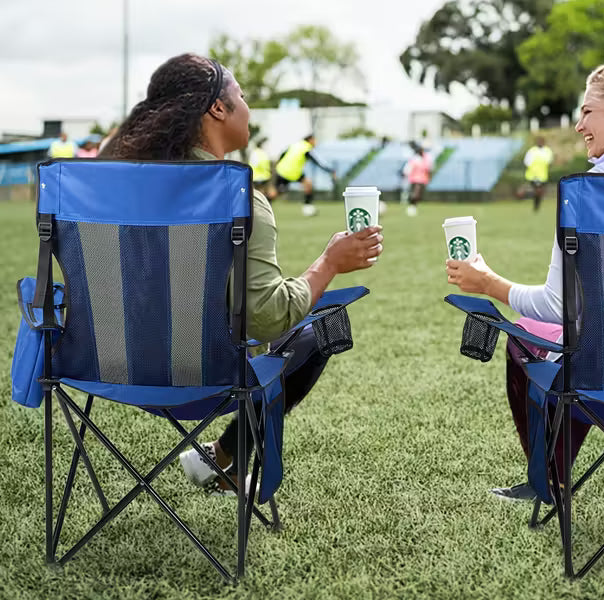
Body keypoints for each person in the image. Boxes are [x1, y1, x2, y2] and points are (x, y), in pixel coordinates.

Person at [103, 53, 383, 493]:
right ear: (218, 108)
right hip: (203, 377)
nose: (248, 107)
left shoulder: (112, 189)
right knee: (324, 327)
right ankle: (230, 456)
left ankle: (225, 457)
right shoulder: (238, 199)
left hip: (107, 367)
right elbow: (268, 317)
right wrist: (329, 263)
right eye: (242, 96)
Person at [445, 41, 604, 502]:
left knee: (528, 336)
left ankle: (551, 480)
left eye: (586, 112)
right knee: (578, 339)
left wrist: (489, 283)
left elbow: (558, 308)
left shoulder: (590, 193)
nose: (578, 125)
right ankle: (552, 477)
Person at [273, 134, 337, 217]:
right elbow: (317, 162)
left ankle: (308, 208)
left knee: (308, 185)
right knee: (276, 193)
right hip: (290, 173)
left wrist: (279, 164)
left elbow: (282, 154)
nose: (316, 143)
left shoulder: (295, 145)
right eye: (315, 140)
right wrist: (330, 171)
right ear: (310, 140)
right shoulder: (306, 148)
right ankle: (307, 208)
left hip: (284, 170)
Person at [521, 136, 554, 212]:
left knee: (539, 192)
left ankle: (536, 204)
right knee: (537, 191)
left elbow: (549, 161)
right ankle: (534, 204)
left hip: (543, 176)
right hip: (533, 175)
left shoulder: (547, 151)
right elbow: (526, 161)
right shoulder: (532, 151)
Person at [403, 142, 433, 217]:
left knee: (418, 196)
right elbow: (408, 169)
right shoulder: (415, 159)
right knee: (415, 194)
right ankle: (411, 207)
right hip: (416, 180)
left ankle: (413, 207)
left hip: (422, 180)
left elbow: (429, 169)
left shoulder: (426, 158)